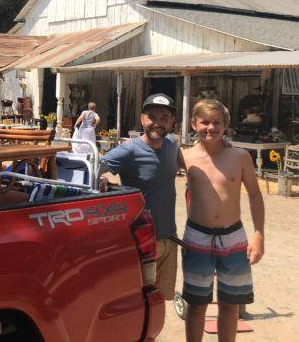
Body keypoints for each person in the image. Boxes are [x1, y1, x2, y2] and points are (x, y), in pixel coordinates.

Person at [182, 100, 264, 342]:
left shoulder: (239, 156)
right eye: (204, 122)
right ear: (193, 124)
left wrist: (258, 235)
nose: (210, 127)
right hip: (197, 235)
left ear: (225, 125)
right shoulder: (184, 156)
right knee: (196, 304)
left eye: (216, 122)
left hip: (233, 236)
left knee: (231, 304)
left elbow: (255, 194)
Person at [98, 93, 182, 301]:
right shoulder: (129, 151)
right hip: (142, 240)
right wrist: (101, 180)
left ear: (172, 122)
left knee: (161, 301)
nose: (157, 123)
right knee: (141, 303)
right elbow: (93, 165)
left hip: (169, 239)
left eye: (164, 118)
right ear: (142, 119)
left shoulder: (172, 144)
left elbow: (189, 161)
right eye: (152, 117)